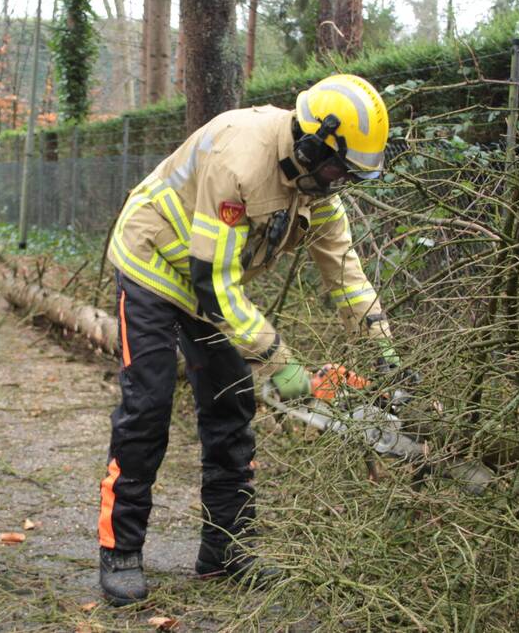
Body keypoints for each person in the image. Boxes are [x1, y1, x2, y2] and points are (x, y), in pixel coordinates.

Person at [96, 73, 401, 604]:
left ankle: (225, 551)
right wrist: (279, 360)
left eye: (348, 174)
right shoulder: (240, 158)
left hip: (209, 282)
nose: (339, 181)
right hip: (152, 263)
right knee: (148, 405)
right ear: (311, 144)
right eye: (337, 168)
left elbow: (347, 276)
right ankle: (121, 549)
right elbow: (212, 285)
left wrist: (388, 353)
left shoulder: (320, 188)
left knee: (230, 406)